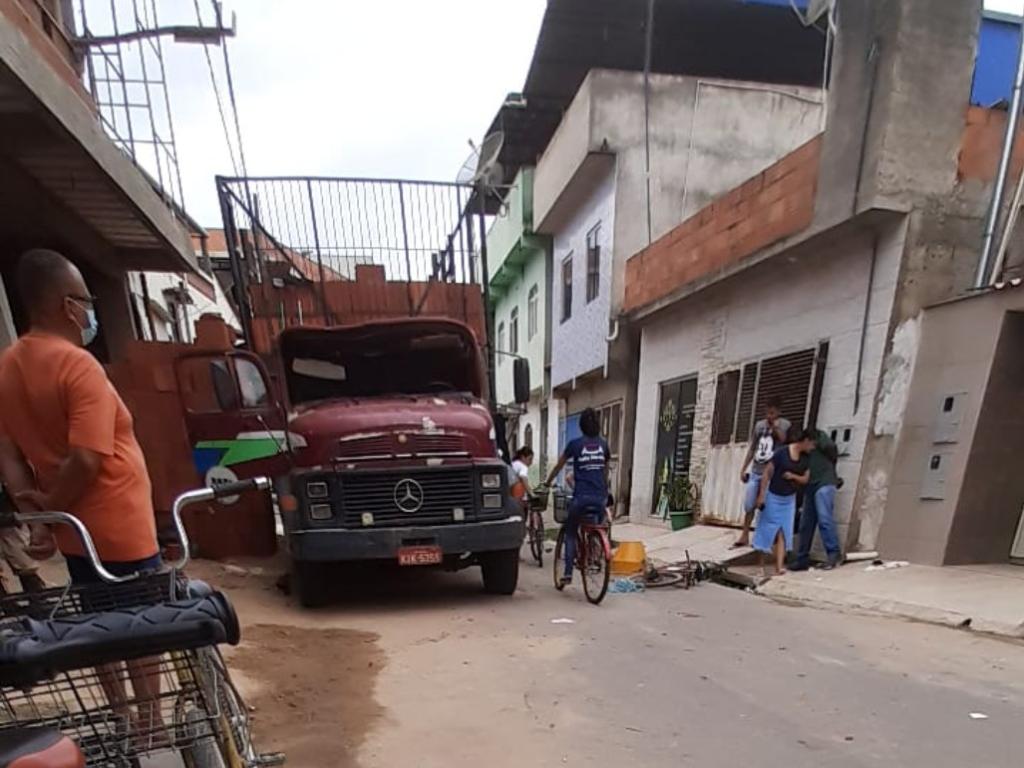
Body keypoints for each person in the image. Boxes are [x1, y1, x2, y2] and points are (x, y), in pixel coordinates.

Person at [0, 249, 163, 731]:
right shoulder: (78, 365)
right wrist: (52, 506)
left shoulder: (7, 366)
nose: (91, 312)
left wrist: (43, 520)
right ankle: (151, 723)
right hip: (121, 526)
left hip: (75, 533)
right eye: (87, 301)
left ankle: (121, 718)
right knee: (142, 628)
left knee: (95, 625)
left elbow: (9, 455)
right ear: (67, 305)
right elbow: (88, 458)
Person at [544, 408, 610, 586]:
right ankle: (594, 553)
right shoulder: (604, 445)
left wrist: (548, 482)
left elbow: (558, 466)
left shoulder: (575, 444)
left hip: (580, 498)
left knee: (571, 532)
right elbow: (605, 472)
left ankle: (567, 573)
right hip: (600, 499)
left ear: (581, 426)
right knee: (595, 524)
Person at [753, 428, 816, 576]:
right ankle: (760, 565)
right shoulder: (782, 453)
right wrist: (761, 495)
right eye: (812, 444)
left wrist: (793, 476)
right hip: (773, 496)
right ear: (806, 441)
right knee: (766, 530)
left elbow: (805, 479)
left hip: (789, 499)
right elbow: (767, 473)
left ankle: (779, 566)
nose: (813, 448)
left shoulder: (806, 458)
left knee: (784, 531)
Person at [734, 397, 791, 547]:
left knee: (765, 505)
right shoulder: (759, 426)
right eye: (767, 413)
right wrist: (743, 468)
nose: (769, 416)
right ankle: (745, 534)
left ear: (778, 412)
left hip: (772, 473)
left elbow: (784, 440)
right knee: (749, 503)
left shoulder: (784, 424)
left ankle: (761, 538)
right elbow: (753, 447)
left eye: (772, 413)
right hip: (756, 470)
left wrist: (775, 427)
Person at [792, 427, 842, 571]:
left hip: (824, 482)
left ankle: (833, 554)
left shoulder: (820, 440)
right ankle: (802, 559)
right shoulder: (802, 452)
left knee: (824, 519)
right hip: (810, 486)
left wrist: (833, 472)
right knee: (805, 524)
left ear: (808, 440)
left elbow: (832, 449)